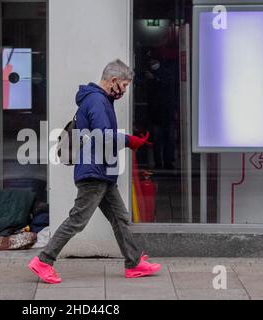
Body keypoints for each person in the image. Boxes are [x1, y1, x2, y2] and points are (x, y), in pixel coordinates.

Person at [28, 59, 161, 284]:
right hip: (94, 172)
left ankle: (134, 263)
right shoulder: (97, 101)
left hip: (102, 171)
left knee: (120, 218)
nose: (124, 91)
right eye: (125, 86)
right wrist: (130, 141)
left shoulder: (98, 100)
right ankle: (43, 261)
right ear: (114, 81)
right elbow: (104, 137)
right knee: (77, 220)